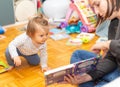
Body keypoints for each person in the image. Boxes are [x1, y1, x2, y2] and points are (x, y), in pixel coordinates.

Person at [62, 0, 120, 87]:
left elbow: (112, 47)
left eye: (97, 4)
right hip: (115, 66)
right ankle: (96, 80)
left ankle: (99, 81)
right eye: (94, 7)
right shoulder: (114, 22)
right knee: (78, 54)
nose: (97, 12)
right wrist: (87, 77)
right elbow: (111, 57)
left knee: (110, 77)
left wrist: (106, 44)